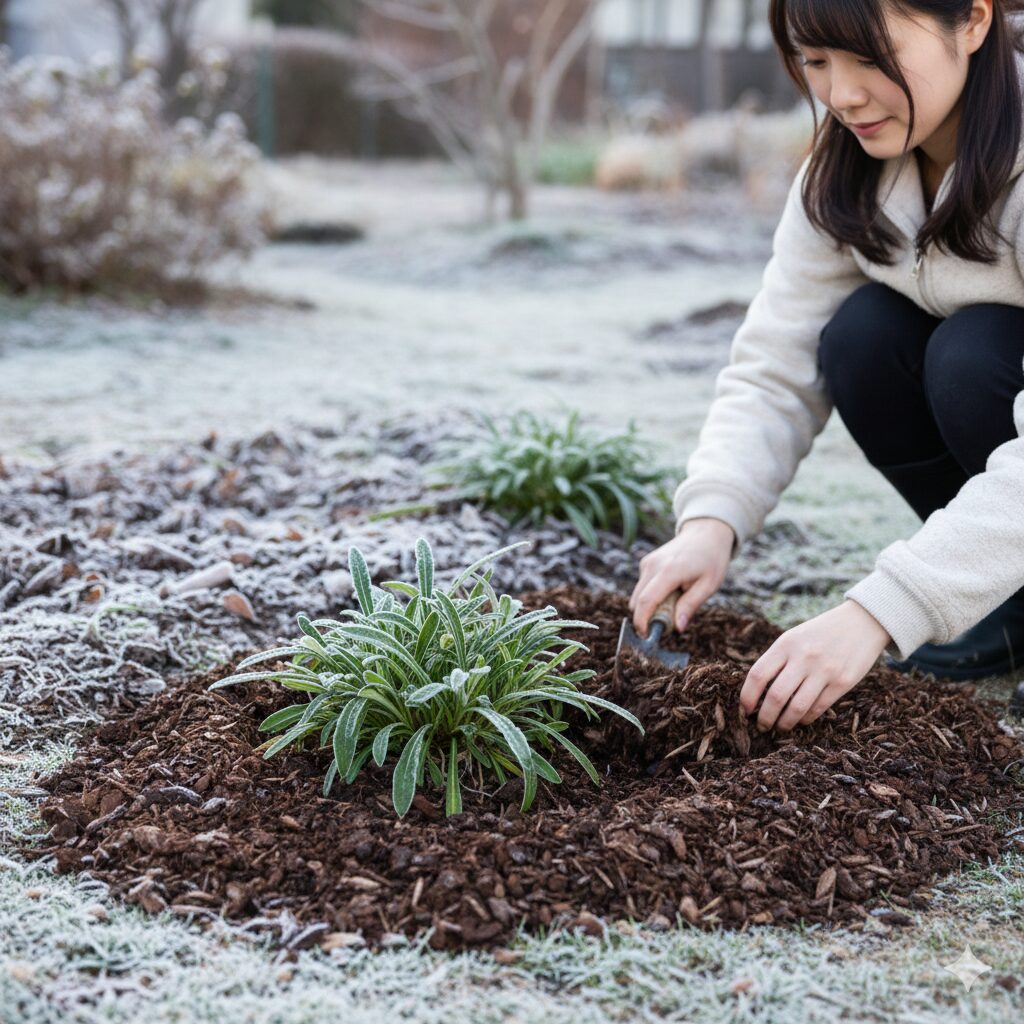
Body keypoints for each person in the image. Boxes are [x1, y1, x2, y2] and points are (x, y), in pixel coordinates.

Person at [629, 0, 1024, 732]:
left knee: (971, 356)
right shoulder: (843, 173)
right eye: (816, 61)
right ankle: (1009, 605)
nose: (840, 94)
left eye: (870, 57)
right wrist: (711, 520)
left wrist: (880, 609)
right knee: (862, 340)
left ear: (972, 21)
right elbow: (777, 358)